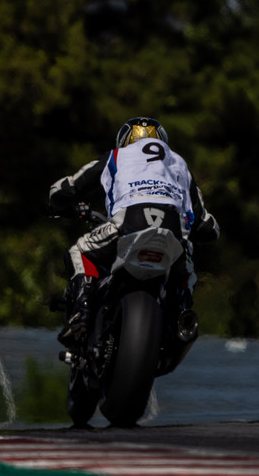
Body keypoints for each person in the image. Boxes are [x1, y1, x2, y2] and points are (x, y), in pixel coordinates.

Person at [48, 117, 219, 350]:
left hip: (129, 221)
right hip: (173, 229)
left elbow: (66, 187)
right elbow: (206, 223)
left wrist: (59, 201)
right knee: (187, 273)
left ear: (124, 140)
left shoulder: (116, 156)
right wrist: (205, 232)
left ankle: (82, 311)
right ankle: (181, 318)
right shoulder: (179, 163)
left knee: (78, 251)